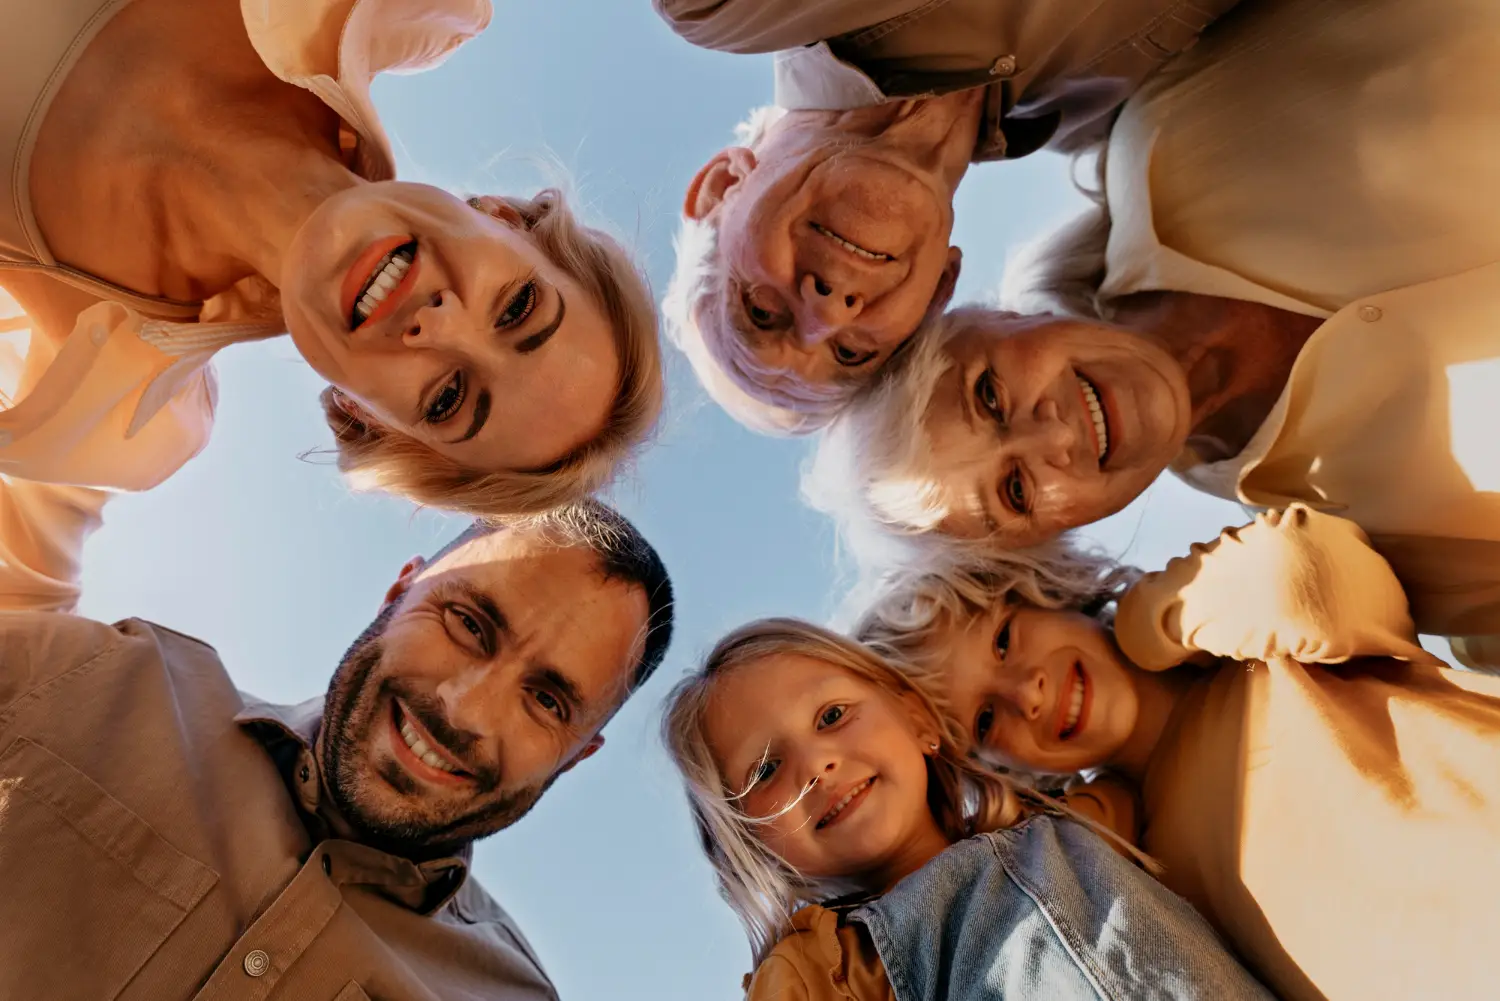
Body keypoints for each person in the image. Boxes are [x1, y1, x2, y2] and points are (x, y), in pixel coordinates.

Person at [807, 0, 1500, 665]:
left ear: (996, 317)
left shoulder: (1173, 121)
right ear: (1060, 532)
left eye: (989, 395)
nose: (1053, 438)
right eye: (1016, 492)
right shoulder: (1362, 547)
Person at [0, 481, 675, 1000]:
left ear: (578, 754)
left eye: (547, 700)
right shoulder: (91, 674)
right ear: (398, 592)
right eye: (468, 623)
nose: (465, 708)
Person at [0, 0, 662, 519]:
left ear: (370, 414)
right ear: (503, 217)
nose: (438, 326)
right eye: (518, 308)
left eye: (449, 398)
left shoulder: (109, 413)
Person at [857, 504, 1500, 1001]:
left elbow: (1305, 575)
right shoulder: (1134, 863)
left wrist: (1147, 619)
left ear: (1050, 591)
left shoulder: (1247, 646)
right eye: (987, 720)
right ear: (999, 770)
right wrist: (1087, 816)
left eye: (1004, 640)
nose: (1028, 691)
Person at [658, 0, 1240, 434]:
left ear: (722, 185)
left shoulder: (724, 7)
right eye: (854, 352)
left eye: (760, 311)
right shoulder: (1120, 119)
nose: (829, 310)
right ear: (940, 289)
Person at [662, 617, 1273, 1000]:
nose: (817, 764)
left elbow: (1141, 752)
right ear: (754, 850)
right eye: (765, 771)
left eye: (832, 716)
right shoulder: (817, 974)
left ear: (917, 719)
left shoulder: (1064, 825)